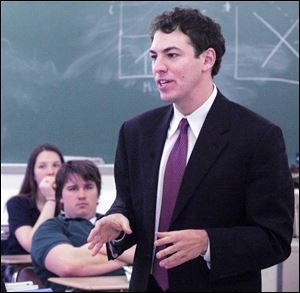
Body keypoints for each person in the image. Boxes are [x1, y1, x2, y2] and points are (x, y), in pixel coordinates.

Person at [87, 7, 295, 292]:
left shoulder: (257, 136)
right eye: (153, 56)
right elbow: (129, 206)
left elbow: (275, 238)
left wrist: (207, 242)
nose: (158, 67)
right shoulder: (136, 133)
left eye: (171, 55)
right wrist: (116, 218)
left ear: (207, 59)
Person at [31, 160, 134, 292]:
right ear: (60, 196)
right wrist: (127, 254)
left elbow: (149, 252)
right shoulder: (49, 229)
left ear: (98, 193)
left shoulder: (115, 223)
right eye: (73, 188)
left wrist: (97, 252)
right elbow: (68, 265)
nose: (81, 195)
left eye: (88, 187)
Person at [3, 143, 64, 281]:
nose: (50, 172)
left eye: (56, 165)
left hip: (57, 266)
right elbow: (32, 244)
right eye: (42, 166)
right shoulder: (17, 203)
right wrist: (51, 200)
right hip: (21, 271)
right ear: (33, 174)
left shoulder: (69, 204)